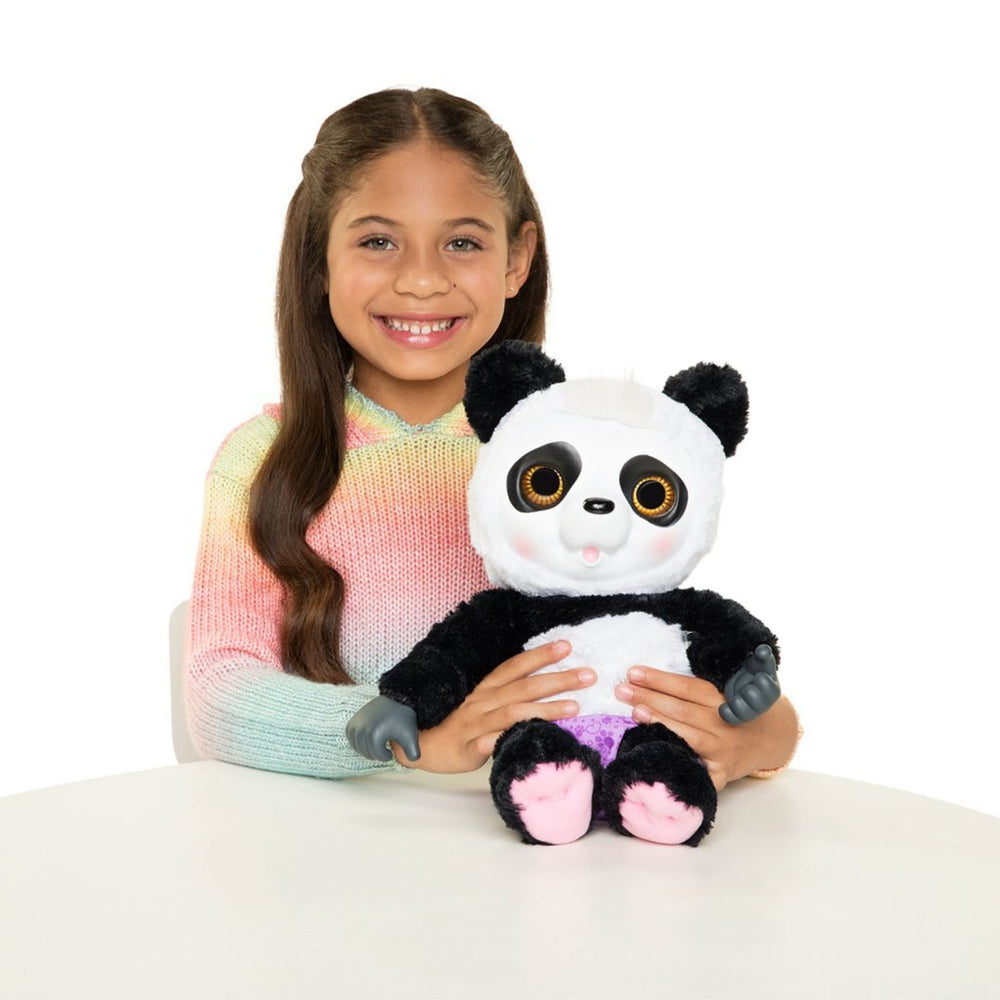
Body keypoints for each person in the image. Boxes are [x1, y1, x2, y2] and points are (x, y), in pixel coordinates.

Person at [186, 87, 800, 789]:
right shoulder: (259, 460)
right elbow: (217, 690)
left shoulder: (583, 445)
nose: (422, 280)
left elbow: (673, 631)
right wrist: (409, 732)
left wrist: (765, 732)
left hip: (558, 829)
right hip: (337, 837)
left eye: (462, 243)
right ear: (318, 261)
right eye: (378, 241)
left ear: (517, 259)